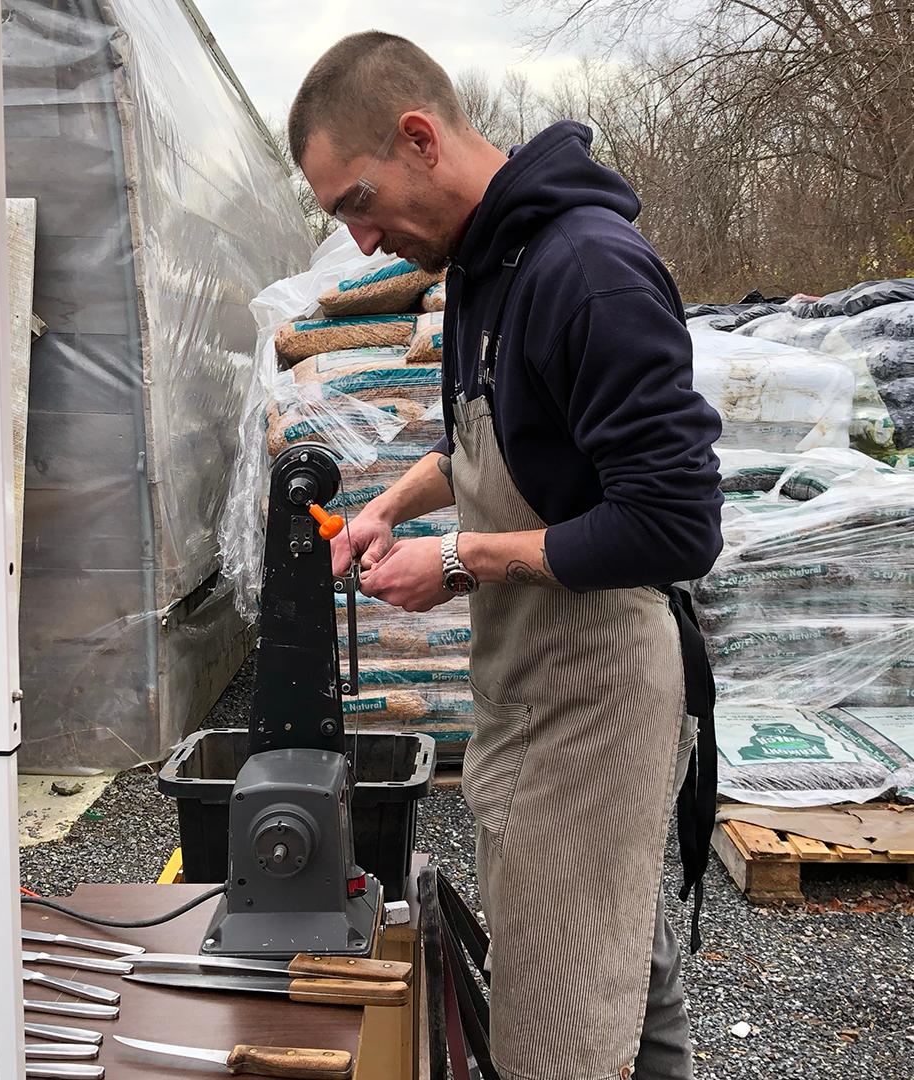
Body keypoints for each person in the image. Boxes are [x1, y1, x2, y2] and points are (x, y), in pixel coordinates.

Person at [289, 31, 724, 1080]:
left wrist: (461, 561)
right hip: (529, 687)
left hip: (598, 692)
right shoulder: (489, 268)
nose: (359, 242)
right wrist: (396, 503)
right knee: (626, 954)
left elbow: (678, 524)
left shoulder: (589, 274)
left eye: (357, 201)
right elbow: (492, 436)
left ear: (419, 137)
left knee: (557, 1023)